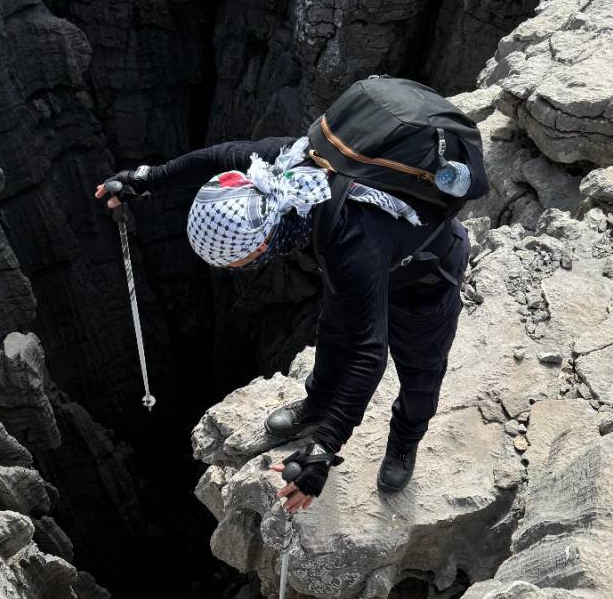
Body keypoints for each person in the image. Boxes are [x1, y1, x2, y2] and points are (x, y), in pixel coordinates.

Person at [96, 124, 475, 513]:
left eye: (235, 263)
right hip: (373, 253)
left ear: (260, 244)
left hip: (422, 276)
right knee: (333, 333)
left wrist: (325, 448)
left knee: (421, 367)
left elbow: (369, 354)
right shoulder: (277, 167)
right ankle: (316, 404)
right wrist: (143, 180)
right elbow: (215, 156)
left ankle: (404, 441)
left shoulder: (349, 244)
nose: (233, 270)